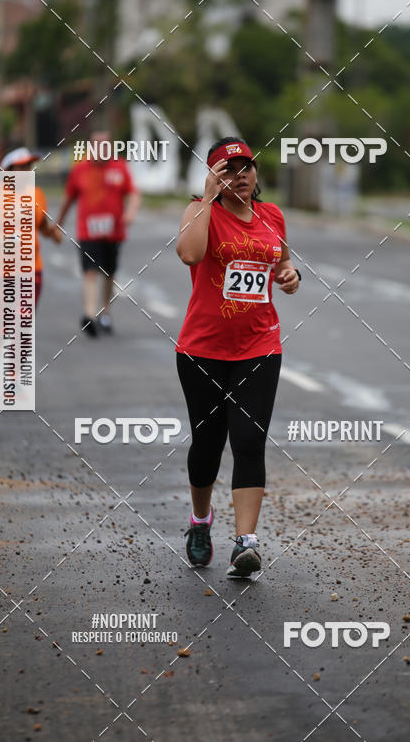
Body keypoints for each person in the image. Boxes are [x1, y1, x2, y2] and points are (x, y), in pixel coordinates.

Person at [175, 137, 300, 578]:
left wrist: (290, 274)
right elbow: (190, 254)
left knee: (249, 441)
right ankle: (201, 519)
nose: (240, 175)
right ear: (212, 176)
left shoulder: (272, 215)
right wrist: (209, 196)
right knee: (207, 445)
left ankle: (246, 543)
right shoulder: (199, 212)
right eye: (227, 170)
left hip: (260, 347)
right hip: (203, 350)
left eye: (246, 167)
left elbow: (282, 261)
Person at [0, 147, 62, 385]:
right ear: (7, 170)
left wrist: (52, 233)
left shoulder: (37, 194)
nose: (28, 171)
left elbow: (42, 224)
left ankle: (14, 377)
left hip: (31, 270)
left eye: (30, 166)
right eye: (22, 166)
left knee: (23, 324)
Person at [56, 130, 141, 336]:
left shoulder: (120, 166)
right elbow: (68, 198)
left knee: (109, 273)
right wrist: (58, 223)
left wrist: (130, 212)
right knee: (90, 271)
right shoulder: (80, 169)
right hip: (88, 232)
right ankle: (89, 315)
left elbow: (133, 193)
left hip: (114, 232)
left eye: (105, 145)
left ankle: (105, 312)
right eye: (97, 145)